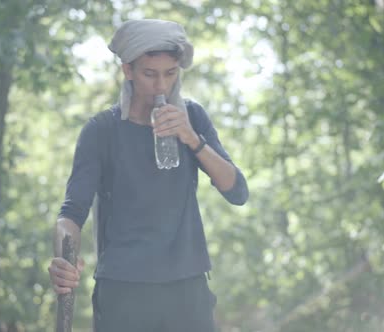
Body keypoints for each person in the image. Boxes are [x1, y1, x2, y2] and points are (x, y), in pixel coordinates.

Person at [48, 19, 249, 332]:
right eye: (150, 74)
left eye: (170, 74)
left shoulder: (192, 116)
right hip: (124, 290)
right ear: (128, 70)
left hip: (188, 288)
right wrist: (64, 258)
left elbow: (237, 191)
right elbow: (71, 214)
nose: (161, 87)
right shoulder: (102, 130)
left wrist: (192, 138)